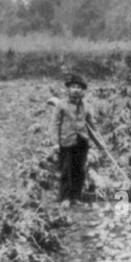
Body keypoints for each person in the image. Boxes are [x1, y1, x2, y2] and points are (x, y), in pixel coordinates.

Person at [53, 74, 95, 205]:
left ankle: (75, 197)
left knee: (79, 170)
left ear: (83, 91)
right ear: (68, 89)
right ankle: (65, 198)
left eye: (79, 87)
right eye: (73, 87)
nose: (76, 90)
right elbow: (55, 124)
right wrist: (55, 143)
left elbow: (93, 126)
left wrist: (98, 143)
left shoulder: (86, 106)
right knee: (66, 170)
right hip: (67, 141)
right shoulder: (61, 105)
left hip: (82, 141)